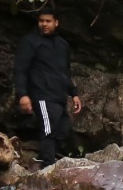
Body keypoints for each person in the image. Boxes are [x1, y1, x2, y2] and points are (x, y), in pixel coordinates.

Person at [12, 9, 81, 165]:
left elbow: (65, 71)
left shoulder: (62, 45)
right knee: (48, 131)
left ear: (56, 23)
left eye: (48, 21)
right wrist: (23, 94)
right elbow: (21, 69)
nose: (44, 24)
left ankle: (43, 157)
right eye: (41, 21)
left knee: (64, 130)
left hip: (59, 95)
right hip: (42, 94)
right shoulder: (30, 41)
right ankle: (47, 169)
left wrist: (73, 93)